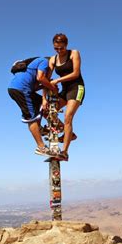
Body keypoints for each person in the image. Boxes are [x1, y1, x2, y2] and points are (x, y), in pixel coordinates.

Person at [8, 56, 58, 157]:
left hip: (19, 88)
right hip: (21, 89)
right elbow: (41, 78)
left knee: (40, 102)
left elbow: (35, 87)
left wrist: (46, 85)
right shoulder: (44, 61)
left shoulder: (33, 65)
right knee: (31, 118)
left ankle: (39, 128)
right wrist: (52, 87)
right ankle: (41, 148)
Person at [47, 33, 85, 161]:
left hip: (77, 88)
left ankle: (64, 152)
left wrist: (57, 81)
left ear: (66, 45)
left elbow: (76, 73)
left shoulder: (74, 53)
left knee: (68, 116)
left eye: (61, 48)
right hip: (65, 90)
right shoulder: (53, 59)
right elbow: (46, 79)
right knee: (49, 111)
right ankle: (70, 134)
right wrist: (43, 98)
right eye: (56, 48)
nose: (59, 50)